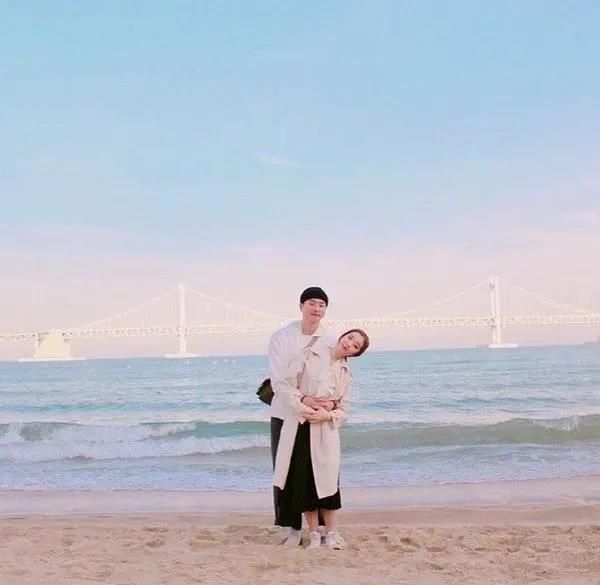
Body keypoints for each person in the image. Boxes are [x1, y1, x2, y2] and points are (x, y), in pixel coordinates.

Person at [273, 328, 370, 550]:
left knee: (328, 484)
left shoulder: (346, 375)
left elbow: (344, 410)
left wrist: (328, 414)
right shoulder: (311, 353)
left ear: (355, 354)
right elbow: (284, 385)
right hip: (301, 426)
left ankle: (331, 533)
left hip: (325, 432)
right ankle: (314, 535)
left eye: (356, 346)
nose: (350, 344)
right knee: (305, 482)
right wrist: (303, 400)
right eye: (350, 338)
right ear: (343, 335)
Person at [268, 286, 335, 546]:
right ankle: (291, 528)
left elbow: (333, 376)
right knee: (284, 471)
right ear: (301, 306)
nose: (316, 309)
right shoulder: (282, 337)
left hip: (315, 415)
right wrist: (302, 399)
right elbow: (278, 378)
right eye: (312, 303)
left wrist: (329, 405)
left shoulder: (329, 339)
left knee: (317, 471)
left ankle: (321, 529)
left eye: (321, 304)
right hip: (285, 412)